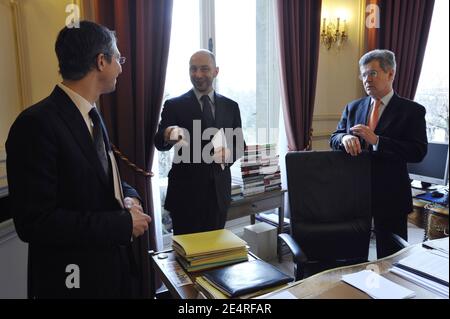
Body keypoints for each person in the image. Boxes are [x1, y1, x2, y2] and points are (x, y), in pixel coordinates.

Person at [6, 21, 151, 298]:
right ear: (101, 61)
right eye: (118, 59)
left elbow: (105, 181)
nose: (121, 67)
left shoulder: (92, 117)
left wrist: (129, 198)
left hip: (110, 274)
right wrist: (122, 224)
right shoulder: (35, 125)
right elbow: (35, 222)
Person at [330, 49, 427, 258]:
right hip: (355, 194)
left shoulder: (412, 111)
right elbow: (334, 137)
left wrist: (377, 141)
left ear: (390, 74)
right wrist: (344, 138)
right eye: (363, 74)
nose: (366, 79)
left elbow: (418, 151)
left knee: (391, 259)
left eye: (372, 73)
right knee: (351, 255)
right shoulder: (353, 107)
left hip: (391, 195)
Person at [155, 50, 245, 235]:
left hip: (219, 196)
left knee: (215, 253)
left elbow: (239, 145)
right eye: (193, 69)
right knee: (186, 256)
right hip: (185, 197)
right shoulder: (174, 105)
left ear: (216, 71)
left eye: (204, 69)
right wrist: (167, 134)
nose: (198, 75)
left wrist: (228, 155)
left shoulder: (231, 106)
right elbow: (159, 142)